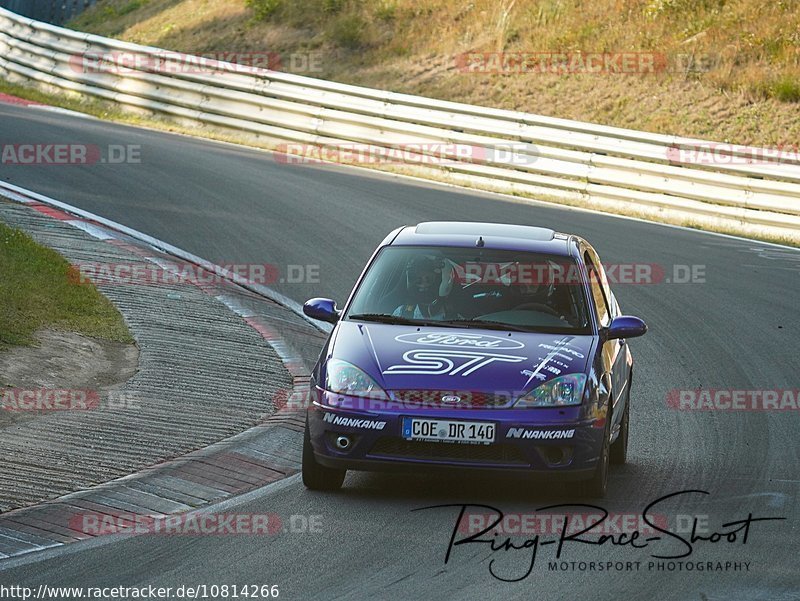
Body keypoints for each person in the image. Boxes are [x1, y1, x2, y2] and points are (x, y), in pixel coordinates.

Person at [392, 255, 450, 319]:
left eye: (429, 279)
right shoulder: (400, 314)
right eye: (418, 280)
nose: (423, 285)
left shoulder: (455, 318)